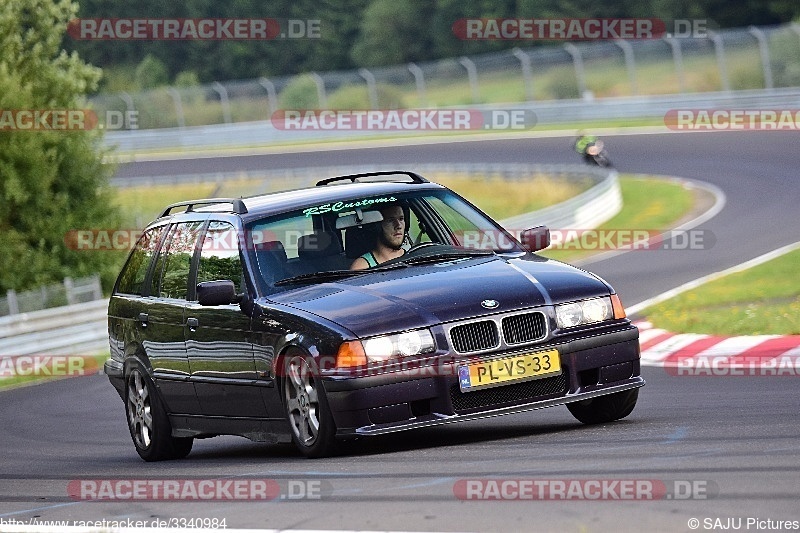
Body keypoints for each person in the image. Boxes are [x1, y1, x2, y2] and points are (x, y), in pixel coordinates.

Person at [350, 205, 406, 270]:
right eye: (390, 220)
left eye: (401, 219)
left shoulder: (414, 257)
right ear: (376, 227)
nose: (399, 226)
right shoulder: (362, 267)